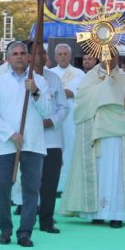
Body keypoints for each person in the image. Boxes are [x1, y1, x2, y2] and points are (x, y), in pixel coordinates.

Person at [61, 52, 125, 228]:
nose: (109, 60)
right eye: (106, 56)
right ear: (100, 57)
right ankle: (95, 212)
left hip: (118, 135)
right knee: (97, 172)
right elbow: (82, 102)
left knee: (116, 173)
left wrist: (114, 116)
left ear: (117, 59)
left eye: (113, 57)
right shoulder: (89, 78)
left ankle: (116, 214)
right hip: (95, 133)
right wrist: (105, 89)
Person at [0, 41, 49, 246]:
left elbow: (47, 111)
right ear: (8, 58)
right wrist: (11, 134)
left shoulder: (38, 81)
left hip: (33, 143)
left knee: (31, 189)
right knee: (2, 186)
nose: (19, 57)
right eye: (15, 54)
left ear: (29, 57)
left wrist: (36, 92)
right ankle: (5, 229)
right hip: (6, 144)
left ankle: (25, 233)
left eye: (23, 53)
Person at [37, 49, 69, 233]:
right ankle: (28, 217)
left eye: (42, 54)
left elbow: (63, 108)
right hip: (30, 138)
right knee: (31, 181)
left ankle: (46, 220)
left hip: (52, 139)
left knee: (50, 182)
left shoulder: (54, 79)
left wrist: (52, 121)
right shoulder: (22, 79)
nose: (39, 58)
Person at [49, 44, 85, 193]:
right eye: (60, 54)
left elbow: (84, 93)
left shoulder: (79, 74)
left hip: (72, 119)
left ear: (70, 56)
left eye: (65, 54)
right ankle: (55, 185)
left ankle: (70, 185)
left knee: (70, 147)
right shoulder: (49, 74)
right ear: (55, 57)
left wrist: (73, 93)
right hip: (55, 117)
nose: (63, 57)